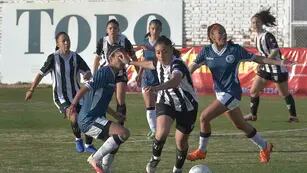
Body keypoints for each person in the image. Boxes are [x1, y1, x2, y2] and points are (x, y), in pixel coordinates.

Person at [187, 23, 294, 164]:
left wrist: (279, 62)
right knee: (241, 125)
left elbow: (258, 59)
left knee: (204, 118)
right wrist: (180, 78)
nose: (224, 34)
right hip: (220, 94)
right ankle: (265, 146)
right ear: (212, 37)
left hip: (232, 93)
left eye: (224, 31)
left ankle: (201, 151)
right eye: (220, 32)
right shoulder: (206, 52)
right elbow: (190, 68)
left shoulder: (235, 50)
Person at [122, 35, 198, 173]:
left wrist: (156, 88)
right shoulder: (158, 62)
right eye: (158, 52)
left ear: (171, 50)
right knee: (161, 132)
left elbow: (175, 81)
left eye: (164, 51)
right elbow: (150, 64)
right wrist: (131, 63)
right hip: (166, 101)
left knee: (180, 141)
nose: (161, 55)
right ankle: (155, 159)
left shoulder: (177, 65)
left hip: (187, 106)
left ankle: (177, 169)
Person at [25, 32, 96, 153]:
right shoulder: (53, 58)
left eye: (68, 40)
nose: (66, 43)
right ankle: (78, 139)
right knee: (74, 116)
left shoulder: (75, 57)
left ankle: (88, 145)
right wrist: (31, 89)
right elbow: (40, 75)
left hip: (78, 95)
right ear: (57, 43)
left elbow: (87, 72)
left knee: (87, 117)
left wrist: (88, 74)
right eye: (63, 41)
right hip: (61, 97)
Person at [67, 45, 130, 173]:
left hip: (94, 118)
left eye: (124, 56)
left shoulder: (112, 75)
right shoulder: (104, 72)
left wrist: (116, 115)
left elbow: (101, 101)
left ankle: (105, 169)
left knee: (111, 143)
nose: (123, 60)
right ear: (110, 58)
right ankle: (94, 159)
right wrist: (73, 104)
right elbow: (86, 87)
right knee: (123, 133)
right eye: (120, 56)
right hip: (88, 119)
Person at [244, 8, 298, 122]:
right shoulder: (256, 36)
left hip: (277, 68)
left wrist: (265, 61)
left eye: (257, 22)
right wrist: (261, 63)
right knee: (253, 90)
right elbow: (263, 53)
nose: (255, 24)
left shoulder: (267, 35)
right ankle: (252, 115)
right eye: (253, 22)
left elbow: (274, 51)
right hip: (266, 68)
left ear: (262, 23)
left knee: (283, 93)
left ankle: (293, 117)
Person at [93, 19, 138, 125]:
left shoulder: (124, 41)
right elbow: (97, 59)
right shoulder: (102, 41)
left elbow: (134, 57)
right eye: (110, 28)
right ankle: (100, 122)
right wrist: (94, 75)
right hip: (105, 73)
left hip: (120, 73)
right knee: (102, 99)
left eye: (115, 28)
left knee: (120, 99)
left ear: (119, 30)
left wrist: (139, 73)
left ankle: (120, 125)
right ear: (107, 30)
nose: (113, 30)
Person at [135, 19, 162, 139]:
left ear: (160, 30)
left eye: (157, 29)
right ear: (149, 30)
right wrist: (139, 74)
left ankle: (160, 127)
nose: (154, 31)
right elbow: (143, 60)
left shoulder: (163, 43)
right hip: (147, 76)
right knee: (149, 105)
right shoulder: (144, 43)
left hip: (160, 77)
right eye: (152, 28)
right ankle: (153, 129)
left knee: (159, 104)